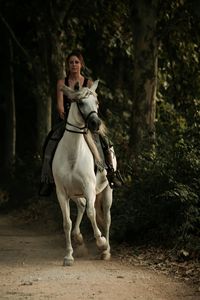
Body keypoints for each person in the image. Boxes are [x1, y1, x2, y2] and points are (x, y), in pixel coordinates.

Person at [39, 50, 122, 196]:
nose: (74, 65)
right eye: (71, 62)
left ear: (81, 64)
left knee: (104, 141)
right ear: (67, 65)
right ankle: (47, 179)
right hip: (67, 122)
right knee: (50, 141)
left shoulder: (88, 83)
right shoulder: (61, 83)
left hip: (86, 123)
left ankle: (111, 172)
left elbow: (94, 102)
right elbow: (59, 105)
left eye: (76, 62)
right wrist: (67, 111)